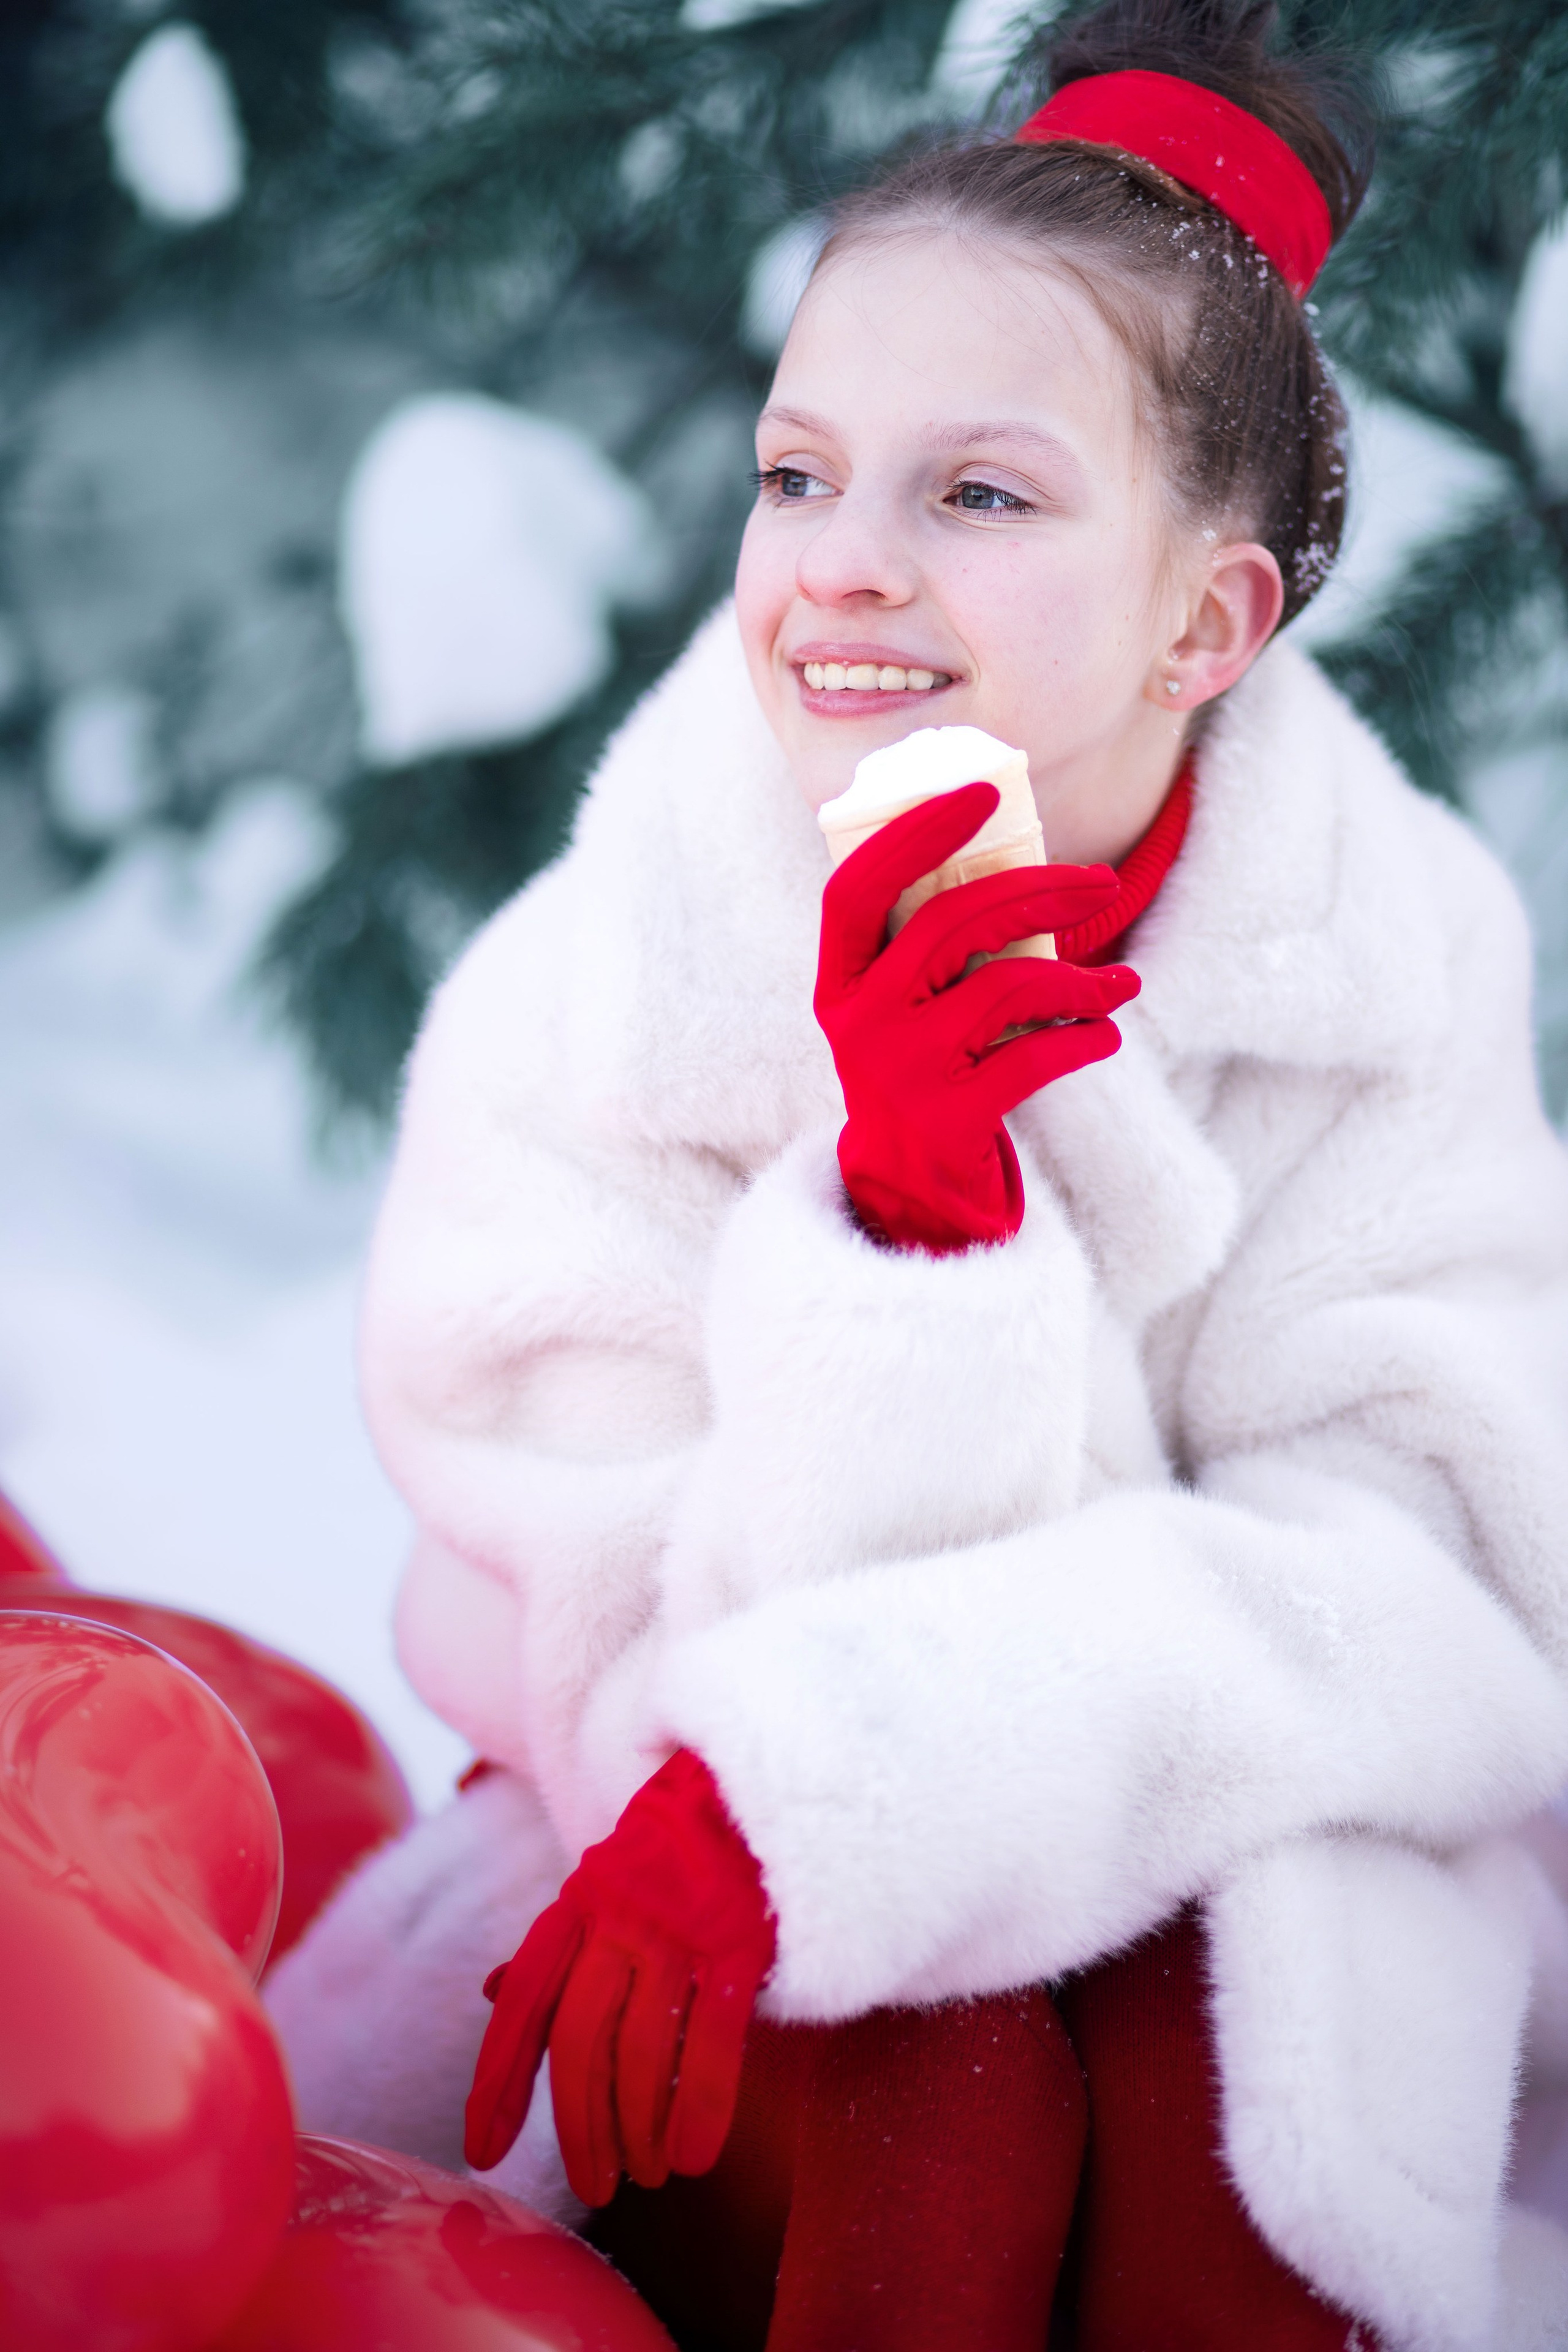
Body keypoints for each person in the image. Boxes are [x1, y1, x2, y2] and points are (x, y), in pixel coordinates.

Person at [266, 2, 1568, 2345]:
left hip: (1224, 1846)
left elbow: (1424, 1593)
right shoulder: (607, 987)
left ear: (1212, 616)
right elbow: (622, 1635)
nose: (838, 569)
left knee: (1235, 2117)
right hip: (655, 1869)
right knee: (934, 2092)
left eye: (977, 493)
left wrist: (846, 1776)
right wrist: (912, 1230)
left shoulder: (1397, 963)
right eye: (798, 473)